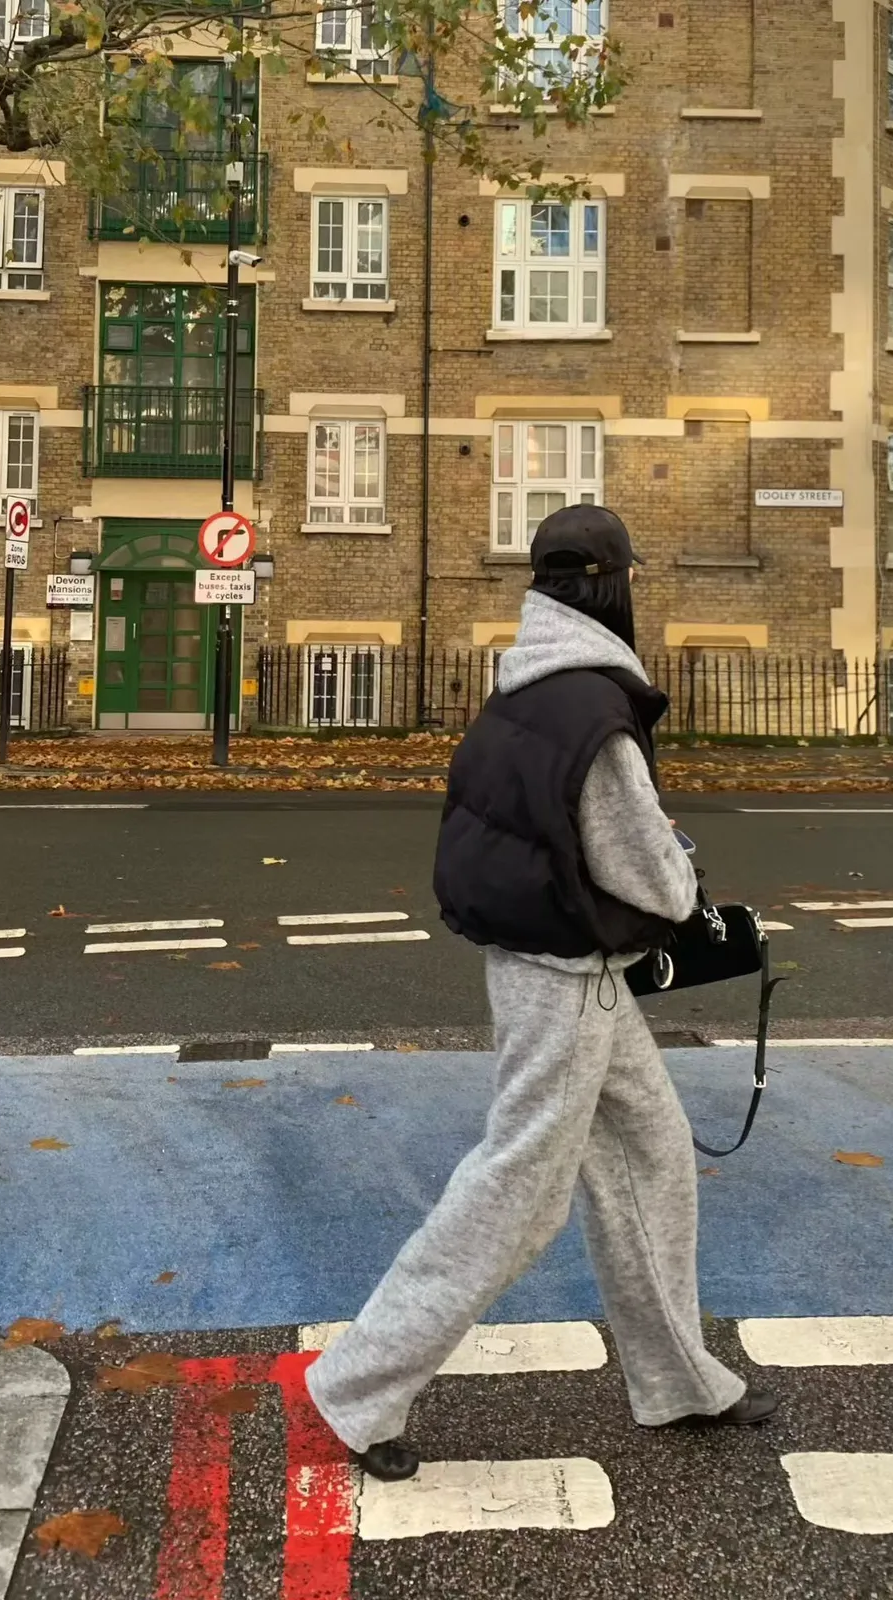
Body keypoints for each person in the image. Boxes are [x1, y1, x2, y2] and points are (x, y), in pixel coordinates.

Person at [304, 505, 777, 1480]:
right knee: (519, 1193)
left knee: (650, 1153)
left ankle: (678, 1380)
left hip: (547, 964)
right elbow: (647, 873)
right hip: (569, 983)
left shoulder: (523, 682)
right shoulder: (594, 711)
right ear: (614, 585)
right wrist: (683, 876)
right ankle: (357, 1385)